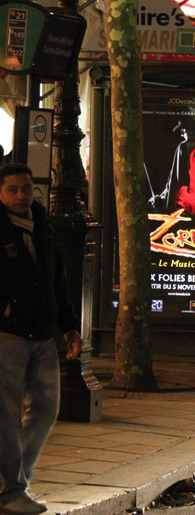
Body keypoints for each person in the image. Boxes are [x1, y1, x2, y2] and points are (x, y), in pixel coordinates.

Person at [0, 163, 82, 515]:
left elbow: (57, 280)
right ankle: (11, 491)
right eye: (13, 189)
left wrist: (69, 325)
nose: (21, 195)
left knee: (46, 410)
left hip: (43, 332)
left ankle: (14, 482)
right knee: (5, 414)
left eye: (27, 188)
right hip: (8, 335)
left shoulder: (42, 225)